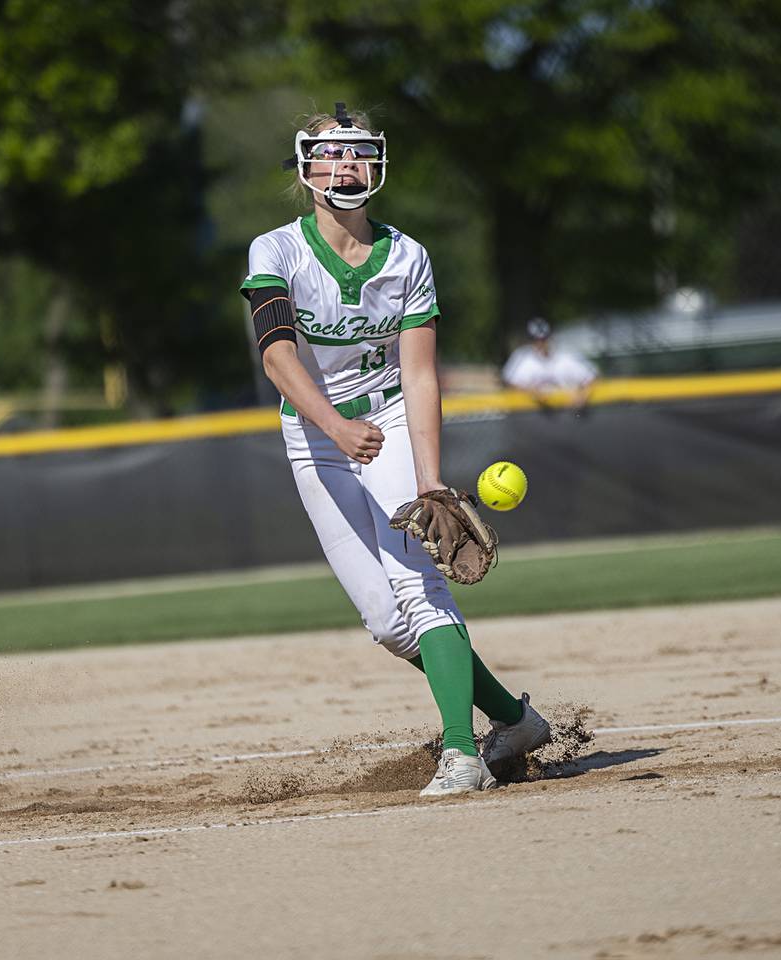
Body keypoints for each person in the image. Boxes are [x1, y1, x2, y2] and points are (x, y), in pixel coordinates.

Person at [239, 104, 551, 797]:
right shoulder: (277, 251)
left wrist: (432, 481)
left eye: (359, 152)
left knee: (420, 586)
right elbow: (278, 357)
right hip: (316, 435)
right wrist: (332, 427)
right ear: (305, 168)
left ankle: (464, 755)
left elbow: (417, 374)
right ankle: (514, 720)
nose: (346, 164)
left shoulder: (407, 255)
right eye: (330, 153)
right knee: (386, 622)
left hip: (388, 425)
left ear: (377, 164)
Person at [501, 317, 598, 413]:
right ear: (530, 341)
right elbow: (508, 382)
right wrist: (530, 392)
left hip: (567, 413)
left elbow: (591, 376)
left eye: (544, 338)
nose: (541, 343)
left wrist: (583, 396)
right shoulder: (522, 357)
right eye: (536, 339)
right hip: (533, 416)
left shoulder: (565, 355)